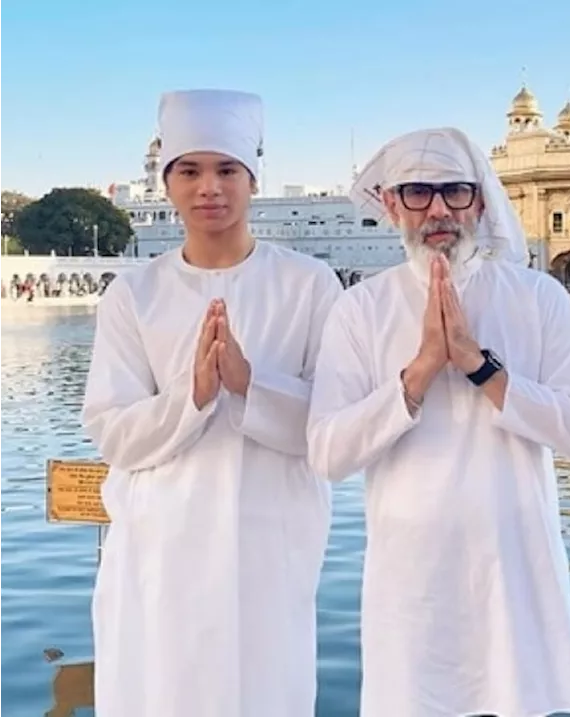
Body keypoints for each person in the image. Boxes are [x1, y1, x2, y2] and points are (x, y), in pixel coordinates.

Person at [306, 127, 570, 716]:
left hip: (513, 579)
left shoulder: (539, 299)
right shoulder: (360, 309)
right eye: (418, 192)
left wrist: (477, 364)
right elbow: (327, 454)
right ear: (391, 205)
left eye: (455, 192)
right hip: (412, 586)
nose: (438, 209)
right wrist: (417, 374)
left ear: (481, 201)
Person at [80, 89, 344, 717]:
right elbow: (112, 431)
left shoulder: (309, 285)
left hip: (270, 544)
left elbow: (336, 432)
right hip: (161, 547)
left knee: (265, 690)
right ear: (168, 182)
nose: (209, 188)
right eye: (190, 171)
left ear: (253, 178)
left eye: (226, 170)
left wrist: (253, 384)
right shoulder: (133, 294)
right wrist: (192, 396)